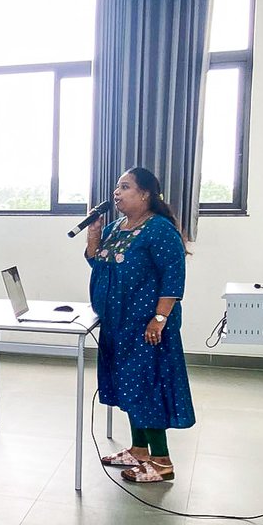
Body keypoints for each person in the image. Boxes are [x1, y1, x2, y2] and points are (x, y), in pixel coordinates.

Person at [89, 166, 195, 484]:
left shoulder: (159, 229)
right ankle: (139, 451)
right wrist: (94, 232)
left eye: (125, 187)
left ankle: (161, 461)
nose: (116, 193)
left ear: (145, 194)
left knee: (147, 390)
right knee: (129, 388)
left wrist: (159, 318)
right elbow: (97, 260)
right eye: (116, 188)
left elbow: (173, 278)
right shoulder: (118, 227)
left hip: (146, 327)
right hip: (116, 324)